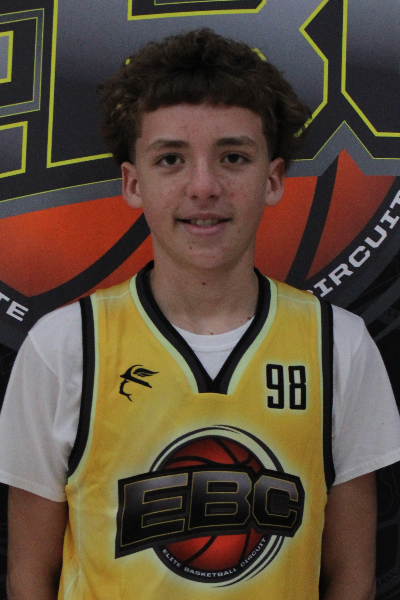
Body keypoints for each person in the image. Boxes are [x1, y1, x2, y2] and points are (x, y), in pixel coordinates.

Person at [1, 28, 400, 600]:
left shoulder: (340, 345)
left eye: (233, 157)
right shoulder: (64, 347)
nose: (204, 186)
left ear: (273, 179)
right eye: (171, 159)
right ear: (133, 183)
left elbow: (353, 579)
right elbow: (28, 579)